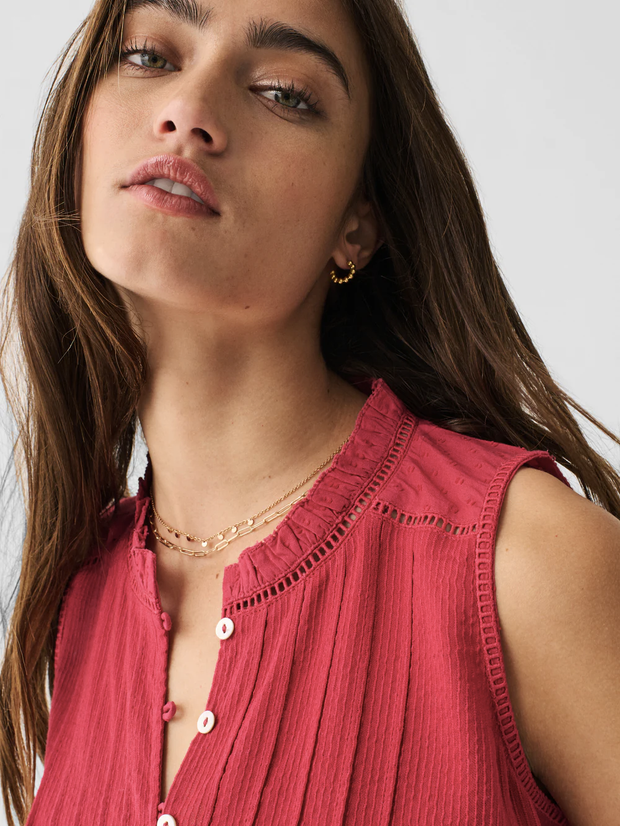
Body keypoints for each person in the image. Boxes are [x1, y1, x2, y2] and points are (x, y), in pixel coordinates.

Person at [1, 0, 619, 823]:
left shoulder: (526, 565)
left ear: (357, 224)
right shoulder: (83, 592)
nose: (188, 110)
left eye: (283, 93)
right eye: (150, 55)